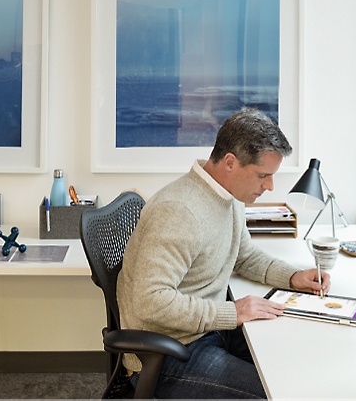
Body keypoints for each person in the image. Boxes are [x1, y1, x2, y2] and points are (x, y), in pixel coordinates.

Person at [117, 108, 329, 399]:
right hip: (171, 351)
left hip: (210, 330)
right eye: (263, 176)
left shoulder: (230, 196)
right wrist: (233, 312)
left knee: (296, 361)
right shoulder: (179, 212)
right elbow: (150, 302)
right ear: (231, 162)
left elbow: (242, 255)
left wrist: (292, 277)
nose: (270, 186)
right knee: (280, 392)